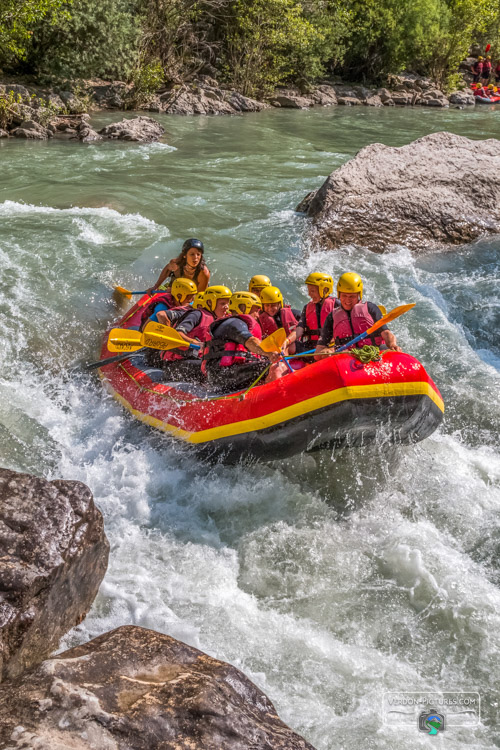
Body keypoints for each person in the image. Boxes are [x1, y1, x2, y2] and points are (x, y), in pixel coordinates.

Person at [202, 291, 282, 392]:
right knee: (273, 367)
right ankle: (279, 397)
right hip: (220, 376)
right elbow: (250, 342)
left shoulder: (236, 322)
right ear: (243, 307)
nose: (258, 315)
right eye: (256, 310)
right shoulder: (234, 323)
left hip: (226, 373)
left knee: (273, 365)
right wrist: (268, 353)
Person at [315, 272, 401, 358]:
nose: (348, 300)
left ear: (359, 295)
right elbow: (318, 351)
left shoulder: (370, 308)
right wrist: (325, 351)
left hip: (373, 352)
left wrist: (392, 344)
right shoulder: (332, 317)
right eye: (344, 296)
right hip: (347, 357)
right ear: (339, 295)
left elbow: (385, 333)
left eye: (352, 296)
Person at [160, 285, 232, 382]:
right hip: (175, 364)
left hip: (194, 359)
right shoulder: (196, 315)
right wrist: (196, 343)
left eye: (228, 303)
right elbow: (178, 333)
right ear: (210, 302)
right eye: (223, 303)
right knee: (211, 368)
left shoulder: (219, 319)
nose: (226, 307)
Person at [293, 273, 338, 358]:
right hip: (311, 347)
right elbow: (299, 329)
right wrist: (287, 341)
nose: (309, 294)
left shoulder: (336, 304)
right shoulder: (307, 307)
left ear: (324, 290)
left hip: (328, 347)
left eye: (312, 291)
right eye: (309, 291)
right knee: (291, 345)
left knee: (325, 353)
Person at [258, 286, 300, 354]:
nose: (270, 308)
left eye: (273, 305)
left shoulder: (293, 313)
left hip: (290, 345)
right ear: (262, 305)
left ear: (279, 304)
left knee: (291, 347)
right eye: (267, 305)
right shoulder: (258, 317)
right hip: (271, 348)